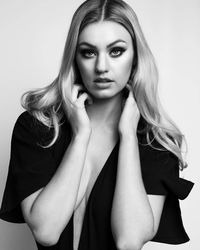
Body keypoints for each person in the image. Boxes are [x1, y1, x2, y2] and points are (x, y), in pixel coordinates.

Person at [0, 0, 194, 249]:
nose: (102, 67)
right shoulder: (38, 128)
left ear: (135, 57)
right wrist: (81, 136)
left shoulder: (155, 142)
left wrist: (128, 138)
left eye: (116, 51)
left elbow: (129, 241)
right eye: (89, 52)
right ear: (74, 58)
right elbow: (46, 231)